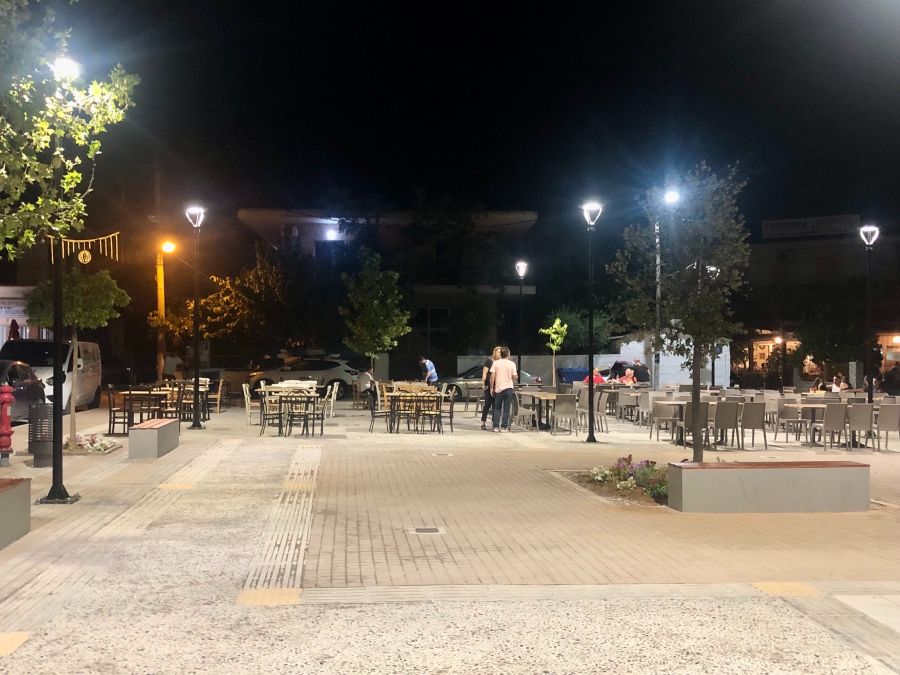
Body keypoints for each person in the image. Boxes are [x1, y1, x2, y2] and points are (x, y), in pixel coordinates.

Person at [490, 346, 518, 432]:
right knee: (506, 408)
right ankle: (503, 427)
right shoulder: (512, 364)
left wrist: (491, 387)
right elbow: (514, 376)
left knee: (497, 408)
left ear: (501, 354)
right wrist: (512, 381)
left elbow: (492, 376)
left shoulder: (495, 363)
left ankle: (495, 426)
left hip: (498, 388)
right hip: (509, 388)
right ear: (508, 354)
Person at [481, 346, 501, 430]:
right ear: (494, 353)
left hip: (498, 386)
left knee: (496, 405)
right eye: (498, 352)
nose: (499, 354)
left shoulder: (500, 363)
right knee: (487, 404)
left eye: (500, 352)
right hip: (488, 386)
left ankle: (494, 423)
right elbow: (484, 373)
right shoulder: (489, 361)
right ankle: (483, 421)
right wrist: (483, 384)